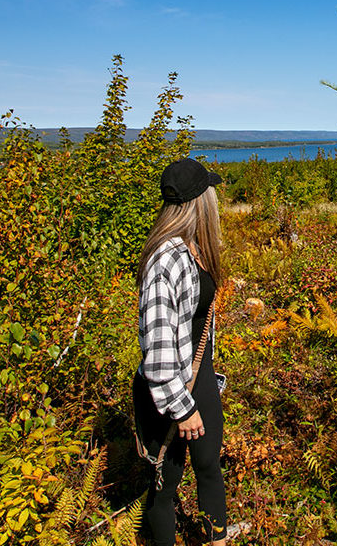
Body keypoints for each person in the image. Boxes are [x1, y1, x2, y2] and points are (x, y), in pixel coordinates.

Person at [133, 158, 228, 545]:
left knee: (209, 466)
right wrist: (182, 408)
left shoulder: (196, 248)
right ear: (198, 201)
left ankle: (217, 540)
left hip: (198, 376)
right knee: (164, 486)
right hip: (169, 393)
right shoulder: (165, 259)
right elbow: (156, 351)